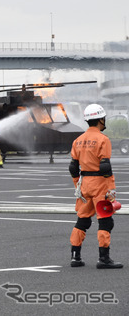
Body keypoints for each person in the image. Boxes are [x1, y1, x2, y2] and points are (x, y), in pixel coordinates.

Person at [68, 104, 122, 269]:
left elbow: (73, 167)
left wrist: (78, 184)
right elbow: (105, 167)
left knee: (82, 221)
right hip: (100, 185)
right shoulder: (103, 139)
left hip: (84, 186)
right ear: (100, 119)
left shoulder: (78, 140)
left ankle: (75, 257)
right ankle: (103, 258)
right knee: (105, 221)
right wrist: (111, 189)